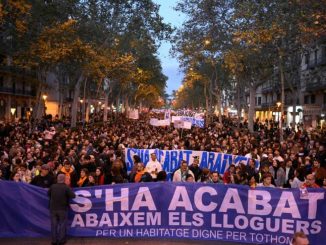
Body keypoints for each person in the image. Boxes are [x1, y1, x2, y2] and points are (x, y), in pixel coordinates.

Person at [48, 174, 76, 245]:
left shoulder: (52, 186)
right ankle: (61, 241)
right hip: (63, 209)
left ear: (57, 179)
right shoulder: (66, 187)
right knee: (62, 225)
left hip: (53, 209)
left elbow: (48, 194)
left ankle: (54, 241)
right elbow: (73, 196)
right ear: (64, 179)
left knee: (53, 225)